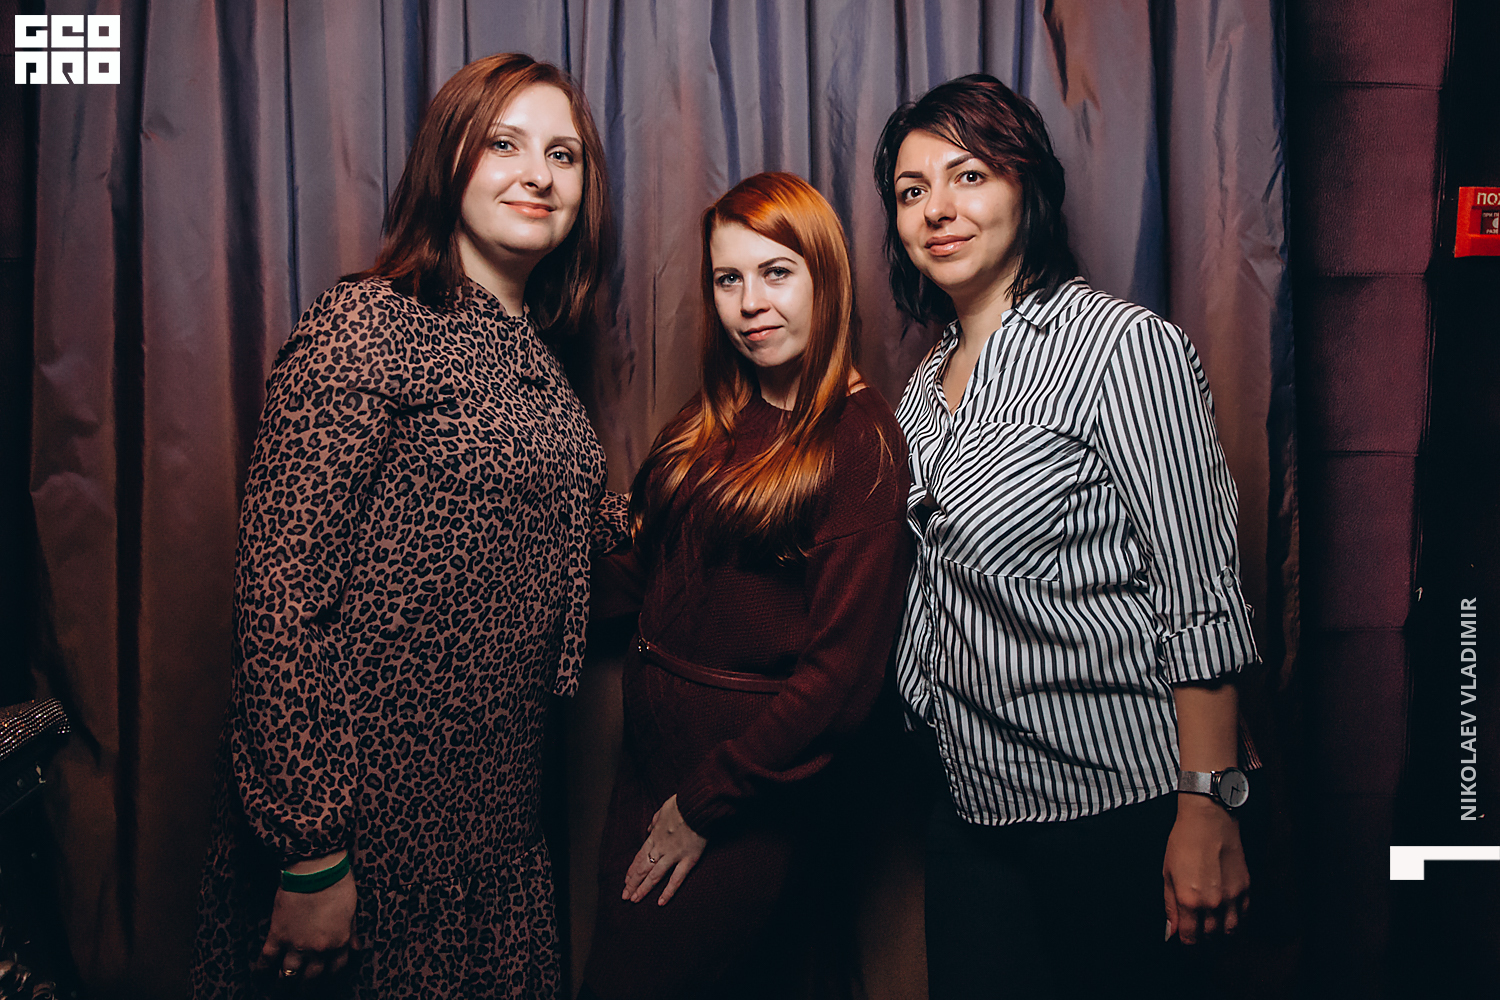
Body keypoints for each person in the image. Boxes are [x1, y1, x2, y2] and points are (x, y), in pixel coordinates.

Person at [192, 52, 624, 999]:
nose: (538, 174)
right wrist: (312, 850)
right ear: (449, 160)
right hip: (367, 835)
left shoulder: (537, 363)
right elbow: (279, 596)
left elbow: (578, 534)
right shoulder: (369, 322)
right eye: (505, 144)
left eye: (563, 155)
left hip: (495, 829)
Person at [873, 74, 1260, 999]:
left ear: (1028, 187)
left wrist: (1208, 802)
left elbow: (1199, 585)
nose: (937, 209)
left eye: (968, 176)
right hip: (971, 809)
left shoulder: (1121, 347)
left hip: (1116, 806)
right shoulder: (921, 390)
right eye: (912, 190)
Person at [579, 172, 913, 1000]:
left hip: (734, 794)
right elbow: (655, 568)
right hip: (648, 772)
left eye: (776, 273)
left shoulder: (860, 443)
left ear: (825, 278)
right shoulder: (718, 413)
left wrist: (706, 802)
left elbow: (841, 682)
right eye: (728, 278)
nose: (750, 303)